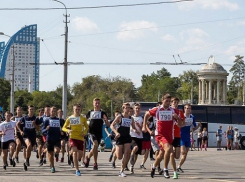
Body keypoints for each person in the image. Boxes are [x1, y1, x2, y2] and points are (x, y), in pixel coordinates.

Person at [143, 94, 183, 178]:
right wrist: (144, 126)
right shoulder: (157, 109)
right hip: (160, 135)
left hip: (170, 136)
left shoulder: (173, 111)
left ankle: (153, 166)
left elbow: (180, 125)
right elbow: (147, 114)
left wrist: (178, 118)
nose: (168, 103)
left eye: (169, 101)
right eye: (166, 101)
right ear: (162, 100)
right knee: (168, 149)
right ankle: (165, 170)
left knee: (162, 154)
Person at [110, 102, 136, 177]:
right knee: (119, 157)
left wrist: (135, 129)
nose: (127, 109)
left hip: (127, 137)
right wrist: (116, 132)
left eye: (128, 107)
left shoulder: (131, 118)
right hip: (120, 137)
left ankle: (121, 171)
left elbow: (133, 127)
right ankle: (115, 155)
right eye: (126, 108)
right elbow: (112, 125)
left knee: (127, 152)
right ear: (123, 109)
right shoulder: (119, 117)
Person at [62, 104, 88, 176]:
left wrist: (84, 133)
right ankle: (77, 170)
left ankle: (71, 156)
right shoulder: (70, 118)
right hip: (72, 138)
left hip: (80, 138)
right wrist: (68, 131)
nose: (77, 111)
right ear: (73, 110)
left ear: (80, 110)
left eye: (78, 109)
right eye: (76, 109)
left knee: (79, 155)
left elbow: (87, 127)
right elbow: (63, 128)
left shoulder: (83, 118)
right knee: (74, 152)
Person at [85, 98, 109, 170]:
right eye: (96, 103)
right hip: (91, 132)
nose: (97, 105)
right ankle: (95, 163)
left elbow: (108, 124)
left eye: (98, 103)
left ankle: (88, 157)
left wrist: (106, 120)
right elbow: (83, 120)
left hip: (99, 133)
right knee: (95, 145)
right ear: (93, 104)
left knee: (95, 148)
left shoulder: (103, 113)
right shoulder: (90, 112)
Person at [177, 104, 201, 173]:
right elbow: (177, 125)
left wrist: (198, 126)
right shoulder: (181, 116)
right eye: (187, 108)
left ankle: (179, 166)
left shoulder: (192, 117)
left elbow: (193, 128)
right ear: (184, 109)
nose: (188, 110)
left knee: (185, 154)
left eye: (189, 108)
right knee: (183, 152)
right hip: (181, 136)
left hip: (187, 136)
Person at [16, 105, 41, 171]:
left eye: (32, 109)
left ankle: (26, 161)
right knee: (28, 145)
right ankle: (27, 160)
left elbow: (38, 129)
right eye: (30, 109)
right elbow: (17, 124)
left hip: (32, 136)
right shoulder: (24, 118)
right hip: (25, 135)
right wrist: (20, 131)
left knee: (29, 149)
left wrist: (34, 125)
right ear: (28, 110)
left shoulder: (36, 119)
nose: (31, 110)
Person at [42, 106, 61, 173]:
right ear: (49, 111)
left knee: (57, 150)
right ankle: (52, 166)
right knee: (50, 154)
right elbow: (42, 130)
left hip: (57, 138)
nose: (53, 112)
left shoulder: (58, 120)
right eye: (52, 111)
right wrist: (46, 129)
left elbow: (63, 128)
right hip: (49, 138)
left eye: (54, 111)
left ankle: (56, 154)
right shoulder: (47, 120)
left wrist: (63, 132)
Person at [170, 97, 184, 179]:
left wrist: (177, 117)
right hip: (169, 135)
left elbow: (181, 123)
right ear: (171, 103)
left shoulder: (180, 112)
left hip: (177, 135)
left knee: (177, 156)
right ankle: (174, 172)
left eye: (177, 102)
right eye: (174, 102)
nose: (175, 104)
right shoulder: (168, 111)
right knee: (171, 154)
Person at [129, 103, 144, 174]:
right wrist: (135, 130)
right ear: (134, 109)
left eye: (138, 108)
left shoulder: (142, 118)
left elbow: (144, 129)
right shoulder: (131, 118)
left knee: (137, 153)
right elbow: (131, 127)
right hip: (132, 136)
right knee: (135, 148)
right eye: (136, 108)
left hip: (140, 136)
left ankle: (132, 166)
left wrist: (140, 127)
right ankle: (131, 155)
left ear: (140, 109)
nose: (137, 109)